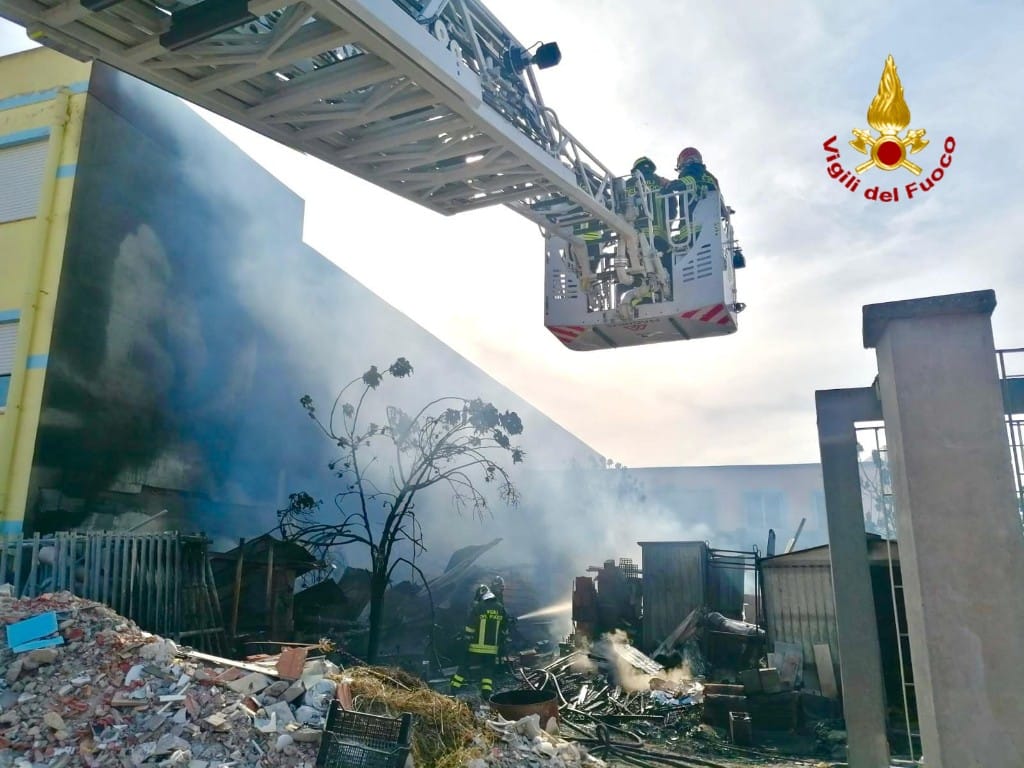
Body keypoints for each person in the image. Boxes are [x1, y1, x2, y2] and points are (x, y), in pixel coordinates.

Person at [449, 585, 508, 697]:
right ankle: (486, 693)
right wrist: (501, 642)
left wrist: (466, 639)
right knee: (488, 670)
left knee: (464, 666)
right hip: (492, 648)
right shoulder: (500, 608)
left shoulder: (479, 607)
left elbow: (470, 627)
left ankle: (453, 688)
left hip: (475, 646)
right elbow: (504, 629)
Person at [663, 147, 718, 245]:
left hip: (693, 232)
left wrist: (668, 185)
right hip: (713, 230)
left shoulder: (691, 172)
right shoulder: (711, 178)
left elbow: (688, 181)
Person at [625, 156, 670, 254]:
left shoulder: (627, 184)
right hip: (659, 236)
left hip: (633, 236)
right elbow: (672, 207)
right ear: (651, 168)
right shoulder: (661, 182)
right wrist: (667, 225)